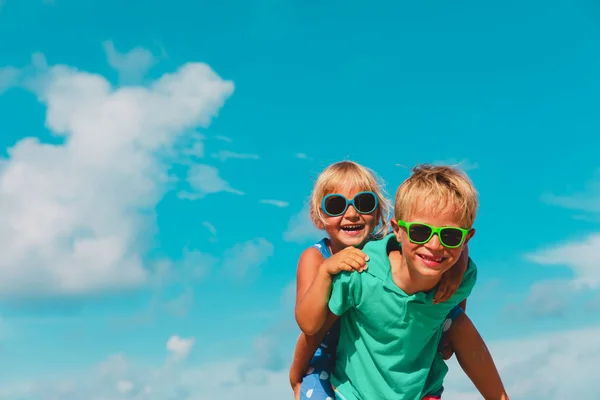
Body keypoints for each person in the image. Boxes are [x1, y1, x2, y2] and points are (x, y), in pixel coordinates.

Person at [296, 164, 509, 399]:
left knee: (453, 317)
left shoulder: (401, 250)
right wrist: (296, 375)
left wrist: (457, 268)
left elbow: (447, 232)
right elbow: (310, 327)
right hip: (328, 353)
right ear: (318, 216)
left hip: (400, 358)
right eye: (336, 205)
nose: (352, 213)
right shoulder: (331, 263)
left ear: (379, 213)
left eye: (364, 203)